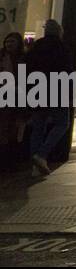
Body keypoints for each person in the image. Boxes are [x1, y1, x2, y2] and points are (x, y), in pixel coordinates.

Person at [26, 20, 73, 177]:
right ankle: (41, 154)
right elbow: (67, 72)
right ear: (59, 31)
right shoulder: (62, 48)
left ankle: (35, 163)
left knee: (38, 127)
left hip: (37, 91)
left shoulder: (36, 47)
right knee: (62, 123)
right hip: (57, 92)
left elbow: (27, 68)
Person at [0, 33, 28, 172]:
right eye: (7, 41)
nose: (8, 44)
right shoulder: (3, 57)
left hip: (16, 98)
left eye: (12, 41)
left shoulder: (23, 59)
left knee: (14, 129)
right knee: (6, 128)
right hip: (5, 97)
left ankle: (10, 159)